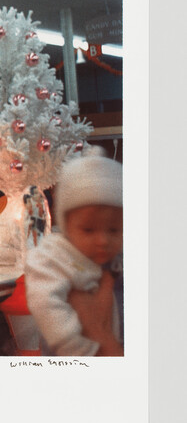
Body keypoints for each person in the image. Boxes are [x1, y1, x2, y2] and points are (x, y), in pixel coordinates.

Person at [24, 147, 123, 356]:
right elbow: (46, 302)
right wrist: (75, 347)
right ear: (66, 225)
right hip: (71, 353)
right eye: (88, 229)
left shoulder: (112, 262)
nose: (103, 240)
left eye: (114, 230)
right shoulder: (52, 256)